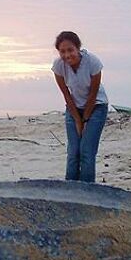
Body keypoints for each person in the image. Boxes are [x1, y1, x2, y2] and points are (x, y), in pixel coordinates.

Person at [51, 31, 109, 182]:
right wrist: (77, 119)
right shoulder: (58, 66)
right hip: (74, 108)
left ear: (78, 48)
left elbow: (93, 94)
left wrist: (85, 120)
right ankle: (70, 189)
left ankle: (88, 191)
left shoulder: (93, 62)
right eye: (62, 51)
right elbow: (66, 95)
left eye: (70, 50)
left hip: (96, 106)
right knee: (73, 152)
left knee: (86, 152)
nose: (67, 55)